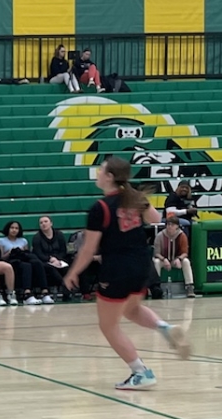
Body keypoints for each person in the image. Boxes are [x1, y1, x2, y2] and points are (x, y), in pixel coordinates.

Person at [64, 156, 189, 391]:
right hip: (142, 264)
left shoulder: (100, 208)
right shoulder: (134, 198)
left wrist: (73, 272)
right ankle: (164, 328)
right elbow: (156, 219)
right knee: (131, 309)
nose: (98, 173)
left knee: (108, 326)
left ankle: (141, 372)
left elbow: (89, 249)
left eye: (101, 170)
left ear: (110, 177)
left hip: (117, 268)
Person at [0, 221, 52, 305]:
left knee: (37, 263)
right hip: (10, 261)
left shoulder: (23, 241)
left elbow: (27, 254)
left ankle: (45, 292)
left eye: (16, 228)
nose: (14, 230)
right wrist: (10, 252)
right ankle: (27, 294)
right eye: (12, 228)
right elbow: (1, 257)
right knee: (27, 266)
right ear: (8, 229)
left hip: (22, 259)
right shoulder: (1, 241)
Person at [154, 215, 196, 298]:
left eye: (172, 225)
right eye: (168, 224)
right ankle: (156, 287)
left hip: (176, 261)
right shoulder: (160, 235)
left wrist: (179, 259)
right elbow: (156, 253)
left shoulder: (182, 235)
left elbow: (185, 253)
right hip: (164, 260)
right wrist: (164, 259)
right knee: (156, 261)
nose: (169, 227)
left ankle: (189, 287)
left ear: (177, 226)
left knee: (186, 261)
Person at [32, 216, 70, 298]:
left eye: (46, 221)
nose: (43, 224)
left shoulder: (59, 235)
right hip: (44, 261)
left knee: (66, 268)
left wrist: (57, 259)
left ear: (51, 223)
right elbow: (38, 253)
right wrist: (50, 259)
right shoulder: (37, 237)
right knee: (50, 268)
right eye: (41, 223)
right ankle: (63, 284)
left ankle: (67, 291)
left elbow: (63, 251)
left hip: (59, 259)